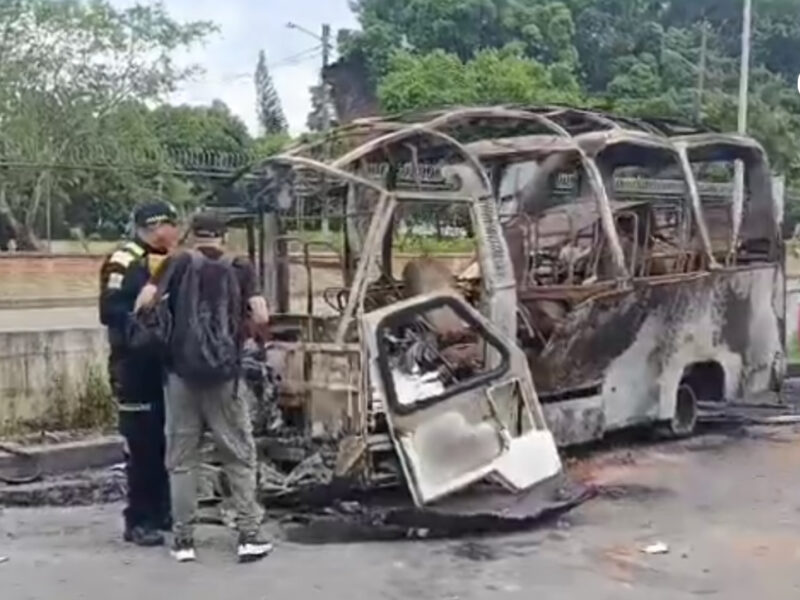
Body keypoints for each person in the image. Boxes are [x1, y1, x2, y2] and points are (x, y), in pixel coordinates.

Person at [136, 212, 271, 564]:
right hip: (226, 378)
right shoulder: (241, 265)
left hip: (181, 376)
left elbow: (144, 302)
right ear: (223, 237)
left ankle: (183, 541)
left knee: (182, 460)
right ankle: (248, 536)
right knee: (239, 455)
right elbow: (261, 315)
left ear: (194, 235)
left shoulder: (174, 263)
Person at [99, 200, 180, 547]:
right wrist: (143, 307)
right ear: (157, 225)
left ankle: (162, 510)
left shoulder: (167, 260)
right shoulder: (124, 260)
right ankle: (139, 519)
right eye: (172, 224)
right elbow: (110, 310)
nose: (176, 232)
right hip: (133, 367)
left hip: (161, 366)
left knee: (163, 443)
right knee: (143, 446)